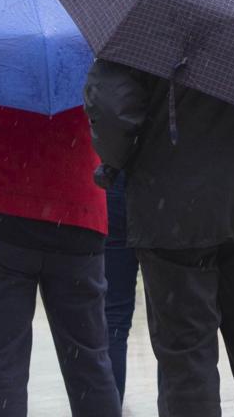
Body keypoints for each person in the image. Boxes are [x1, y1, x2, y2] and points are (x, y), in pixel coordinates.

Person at [85, 59, 234, 417]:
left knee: (186, 360)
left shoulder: (144, 16)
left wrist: (121, 161)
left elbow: (111, 109)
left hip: (174, 204)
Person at [0, 97, 120, 417]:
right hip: (77, 215)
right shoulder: (89, 52)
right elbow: (119, 125)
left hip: (1, 217)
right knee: (88, 361)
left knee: (4, 366)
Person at [103, 172, 139, 402]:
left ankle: (111, 406)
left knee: (113, 316)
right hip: (167, 186)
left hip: (114, 179)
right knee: (175, 326)